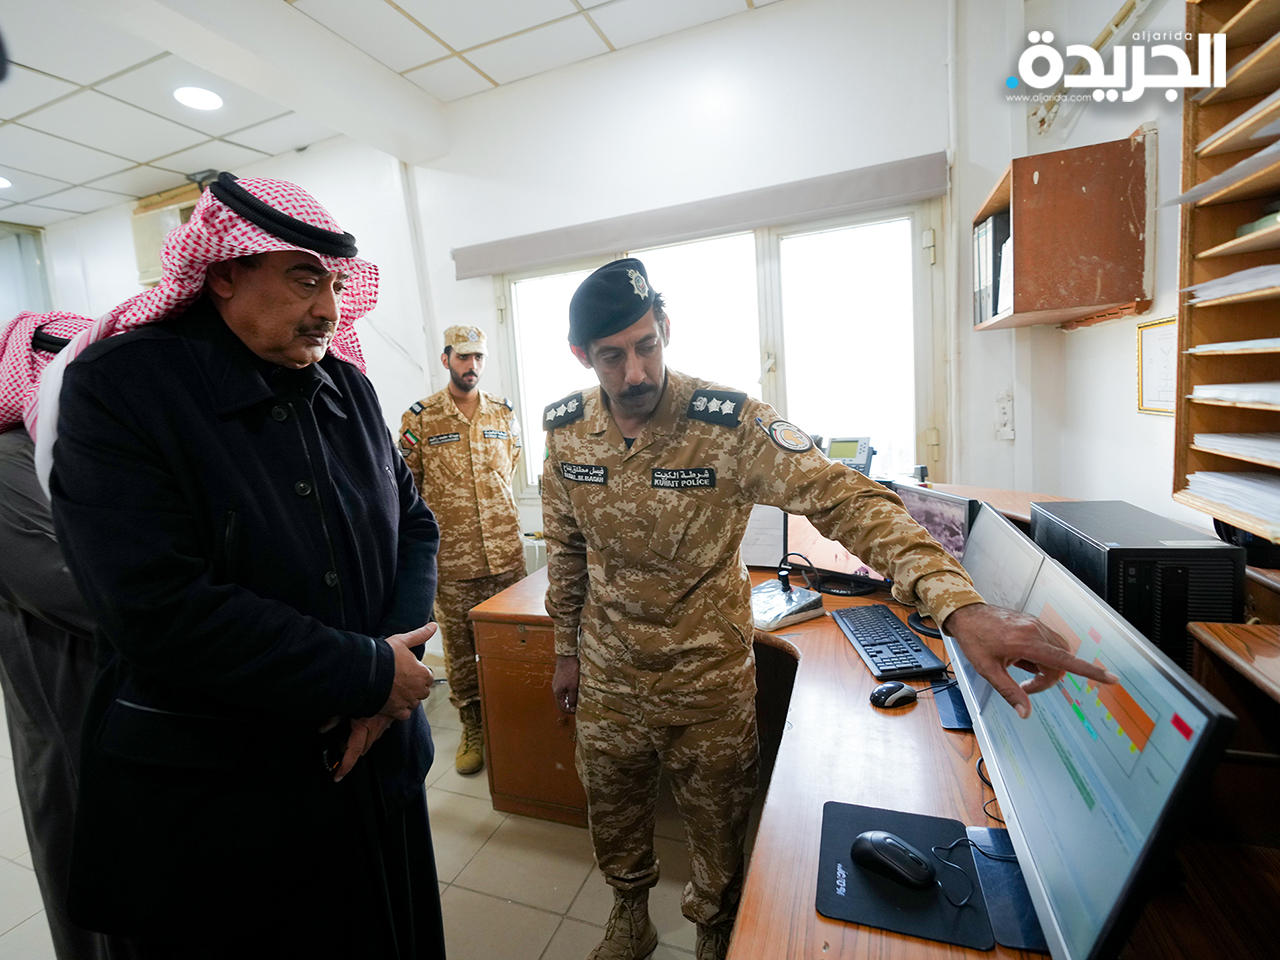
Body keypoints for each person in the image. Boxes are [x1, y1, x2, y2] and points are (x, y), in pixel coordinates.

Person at [541, 258, 1117, 960]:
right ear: (582, 356)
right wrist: (565, 651)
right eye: (613, 357)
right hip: (609, 674)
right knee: (613, 810)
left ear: (666, 327)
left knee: (719, 827)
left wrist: (958, 606)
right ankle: (629, 914)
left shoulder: (729, 423)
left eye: (647, 345)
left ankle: (714, 934)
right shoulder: (567, 431)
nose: (636, 372)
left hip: (707, 680)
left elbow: (846, 499)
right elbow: (565, 547)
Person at [28, 172, 446, 958]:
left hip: (375, 764)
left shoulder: (348, 390)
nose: (329, 308)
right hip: (226, 803)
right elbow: (155, 606)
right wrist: (365, 673)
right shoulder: (122, 389)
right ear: (223, 272)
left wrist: (388, 675)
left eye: (336, 284)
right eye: (304, 281)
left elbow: (414, 526)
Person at [0, 314, 136, 960]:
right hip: (71, 726)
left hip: (125, 716)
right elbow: (76, 591)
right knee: (100, 917)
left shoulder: (86, 450)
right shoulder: (7, 463)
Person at [398, 325, 525, 774]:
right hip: (451, 561)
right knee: (459, 650)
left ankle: (518, 722)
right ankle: (474, 726)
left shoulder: (503, 414)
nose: (472, 366)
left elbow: (510, 468)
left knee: (514, 646)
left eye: (478, 358)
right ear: (446, 359)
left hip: (505, 556)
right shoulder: (420, 419)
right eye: (463, 357)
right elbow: (407, 490)